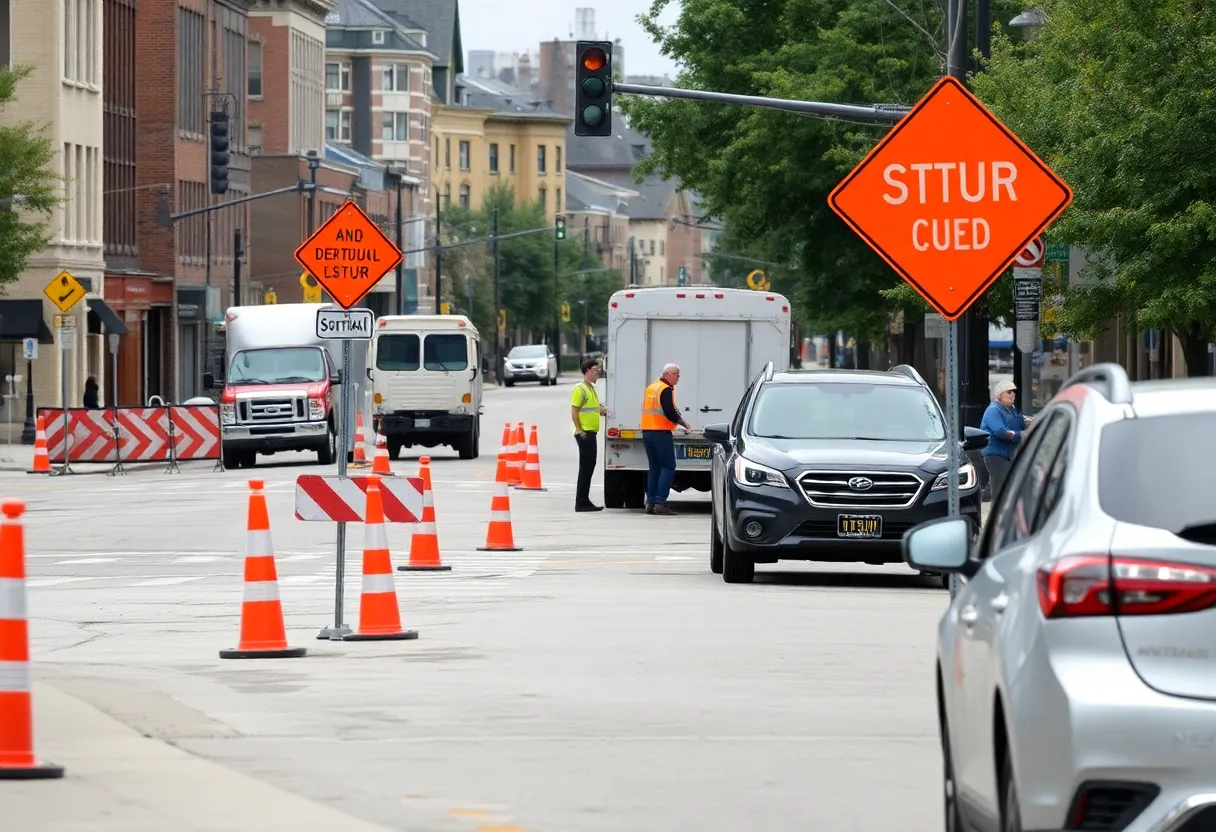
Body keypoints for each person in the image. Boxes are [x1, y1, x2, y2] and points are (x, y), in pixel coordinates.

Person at [641, 363, 691, 516]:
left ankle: (651, 502)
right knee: (668, 467)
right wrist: (684, 425)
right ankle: (661, 503)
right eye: (677, 374)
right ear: (669, 374)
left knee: (654, 468)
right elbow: (670, 411)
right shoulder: (665, 389)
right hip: (660, 432)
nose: (678, 378)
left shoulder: (652, 387)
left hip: (647, 431)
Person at [979, 379, 1033, 501]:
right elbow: (1001, 432)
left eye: (1014, 391)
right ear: (999, 394)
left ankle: (984, 499)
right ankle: (996, 517)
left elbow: (1016, 422)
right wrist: (1022, 435)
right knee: (1001, 491)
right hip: (995, 454)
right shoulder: (993, 410)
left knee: (1004, 485)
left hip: (1008, 454)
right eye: (1009, 391)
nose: (1013, 394)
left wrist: (1027, 421)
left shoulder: (1010, 409)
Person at [571, 358, 607, 512]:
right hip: (585, 433)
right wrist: (580, 430)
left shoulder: (591, 389)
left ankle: (584, 500)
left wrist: (602, 410)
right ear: (587, 371)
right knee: (586, 467)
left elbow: (591, 408)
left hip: (591, 432)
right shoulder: (580, 388)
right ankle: (581, 502)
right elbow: (574, 411)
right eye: (595, 370)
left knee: (589, 466)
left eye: (598, 370)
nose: (597, 373)